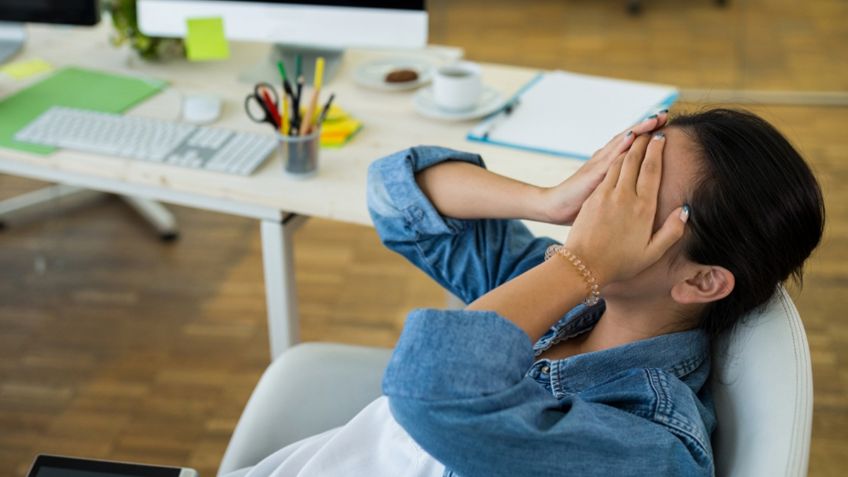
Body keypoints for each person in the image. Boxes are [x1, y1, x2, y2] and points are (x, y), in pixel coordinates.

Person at [234, 109, 824, 477]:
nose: (601, 206)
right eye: (615, 171)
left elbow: (431, 387)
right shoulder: (574, 302)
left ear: (700, 280)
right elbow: (395, 194)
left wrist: (582, 261)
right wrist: (547, 200)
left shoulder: (651, 445)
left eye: (634, 197)